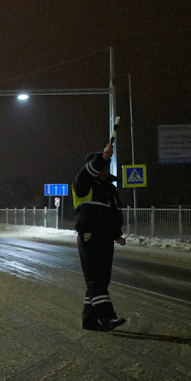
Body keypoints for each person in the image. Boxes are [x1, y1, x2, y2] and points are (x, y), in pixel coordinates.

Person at [72, 140, 127, 331]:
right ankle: (107, 316)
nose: (105, 170)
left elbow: (111, 216)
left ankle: (89, 320)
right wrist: (103, 156)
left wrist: (116, 234)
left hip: (104, 238)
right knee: (96, 280)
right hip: (90, 236)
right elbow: (85, 172)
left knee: (100, 280)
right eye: (103, 166)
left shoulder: (108, 190)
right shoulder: (83, 185)